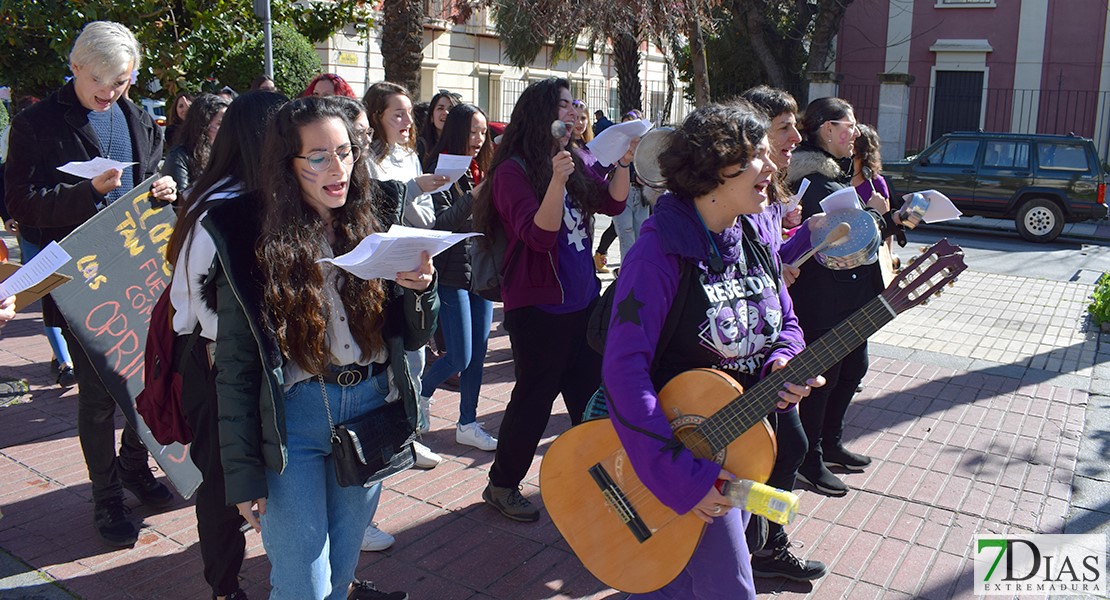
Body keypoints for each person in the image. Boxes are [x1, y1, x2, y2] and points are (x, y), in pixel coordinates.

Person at [207, 95, 429, 600]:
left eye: (346, 152)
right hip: (295, 421)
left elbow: (413, 335)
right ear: (288, 164)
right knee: (302, 586)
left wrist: (422, 293)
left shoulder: (378, 214)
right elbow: (238, 365)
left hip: (371, 410)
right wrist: (243, 476)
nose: (338, 168)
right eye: (318, 156)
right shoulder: (248, 235)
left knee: (339, 577)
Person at [601, 101, 821, 600]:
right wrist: (682, 478)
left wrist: (782, 358)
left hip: (738, 447)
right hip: (682, 460)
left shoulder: (751, 234)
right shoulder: (658, 252)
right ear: (716, 165)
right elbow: (623, 371)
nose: (772, 167)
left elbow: (786, 319)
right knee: (729, 590)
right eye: (757, 155)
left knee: (675, 585)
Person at [5, 20, 179, 547]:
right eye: (100, 81)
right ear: (76, 66)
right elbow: (18, 203)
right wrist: (85, 193)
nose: (110, 92)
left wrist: (167, 187)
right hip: (79, 277)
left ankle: (133, 466)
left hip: (142, 271)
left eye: (122, 82)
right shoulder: (36, 123)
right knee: (100, 395)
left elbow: (156, 172)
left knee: (149, 378)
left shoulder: (139, 118)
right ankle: (106, 498)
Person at [471, 77, 634, 522]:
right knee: (533, 402)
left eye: (573, 104)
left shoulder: (576, 158)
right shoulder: (512, 171)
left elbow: (613, 205)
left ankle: (601, 481)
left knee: (591, 402)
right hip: (539, 309)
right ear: (541, 114)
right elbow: (539, 236)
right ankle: (502, 484)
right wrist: (557, 181)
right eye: (562, 105)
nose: (571, 112)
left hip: (582, 303)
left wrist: (622, 162)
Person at [165, 90, 287, 600]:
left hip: (268, 361)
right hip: (222, 366)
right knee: (221, 484)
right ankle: (225, 587)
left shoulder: (279, 197)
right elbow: (187, 302)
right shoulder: (218, 206)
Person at [785, 97, 907, 498]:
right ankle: (810, 458)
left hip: (851, 299)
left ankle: (831, 442)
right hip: (822, 300)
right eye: (849, 125)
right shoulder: (814, 182)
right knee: (826, 377)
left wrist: (889, 219)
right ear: (828, 129)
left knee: (854, 369)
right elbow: (836, 241)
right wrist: (876, 217)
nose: (855, 133)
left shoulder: (834, 176)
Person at [738, 84, 827, 582]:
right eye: (784, 127)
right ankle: (755, 542)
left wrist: (789, 243)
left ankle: (761, 541)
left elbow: (769, 274)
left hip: (770, 347)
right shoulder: (709, 214)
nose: (796, 136)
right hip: (736, 362)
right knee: (778, 448)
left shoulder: (769, 193)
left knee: (786, 445)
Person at [363, 81, 449, 469]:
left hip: (413, 264)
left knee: (414, 355)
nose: (406, 121)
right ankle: (391, 437)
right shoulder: (365, 159)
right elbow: (376, 210)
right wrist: (412, 189)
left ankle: (411, 436)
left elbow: (423, 213)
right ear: (375, 117)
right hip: (381, 271)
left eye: (409, 113)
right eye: (397, 113)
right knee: (386, 360)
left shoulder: (410, 155)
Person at [419, 103, 498, 452]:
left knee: (479, 354)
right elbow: (439, 225)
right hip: (451, 273)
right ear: (457, 132)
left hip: (481, 270)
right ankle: (420, 393)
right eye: (472, 132)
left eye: (483, 132)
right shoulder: (440, 169)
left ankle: (467, 422)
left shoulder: (484, 168)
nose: (479, 139)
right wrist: (474, 196)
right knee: (460, 356)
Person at [160, 93, 229, 191]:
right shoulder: (179, 156)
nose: (227, 129)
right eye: (220, 123)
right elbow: (180, 199)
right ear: (204, 124)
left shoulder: (225, 152)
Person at [415, 90, 459, 165]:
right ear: (431, 117)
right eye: (440, 108)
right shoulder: (421, 145)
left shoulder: (463, 144)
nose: (446, 112)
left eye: (450, 109)